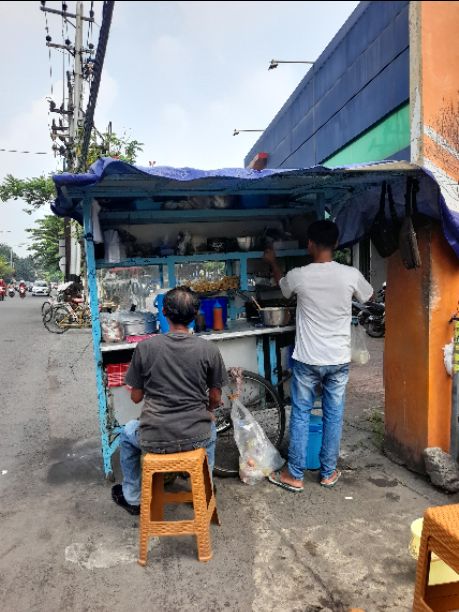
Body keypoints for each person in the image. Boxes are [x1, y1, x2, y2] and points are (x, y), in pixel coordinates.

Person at [264, 220, 373, 493]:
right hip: (338, 359)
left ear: (309, 244)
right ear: (336, 244)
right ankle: (327, 473)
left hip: (308, 359)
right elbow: (369, 296)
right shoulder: (349, 274)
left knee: (301, 414)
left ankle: (295, 475)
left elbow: (283, 287)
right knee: (333, 416)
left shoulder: (299, 275)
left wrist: (273, 262)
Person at [112, 286, 228, 515]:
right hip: (196, 436)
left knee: (127, 433)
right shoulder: (209, 349)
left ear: (163, 312)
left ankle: (133, 498)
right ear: (194, 315)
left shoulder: (145, 347)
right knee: (211, 429)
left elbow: (136, 398)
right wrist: (209, 409)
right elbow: (215, 397)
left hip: (154, 437)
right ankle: (203, 492)